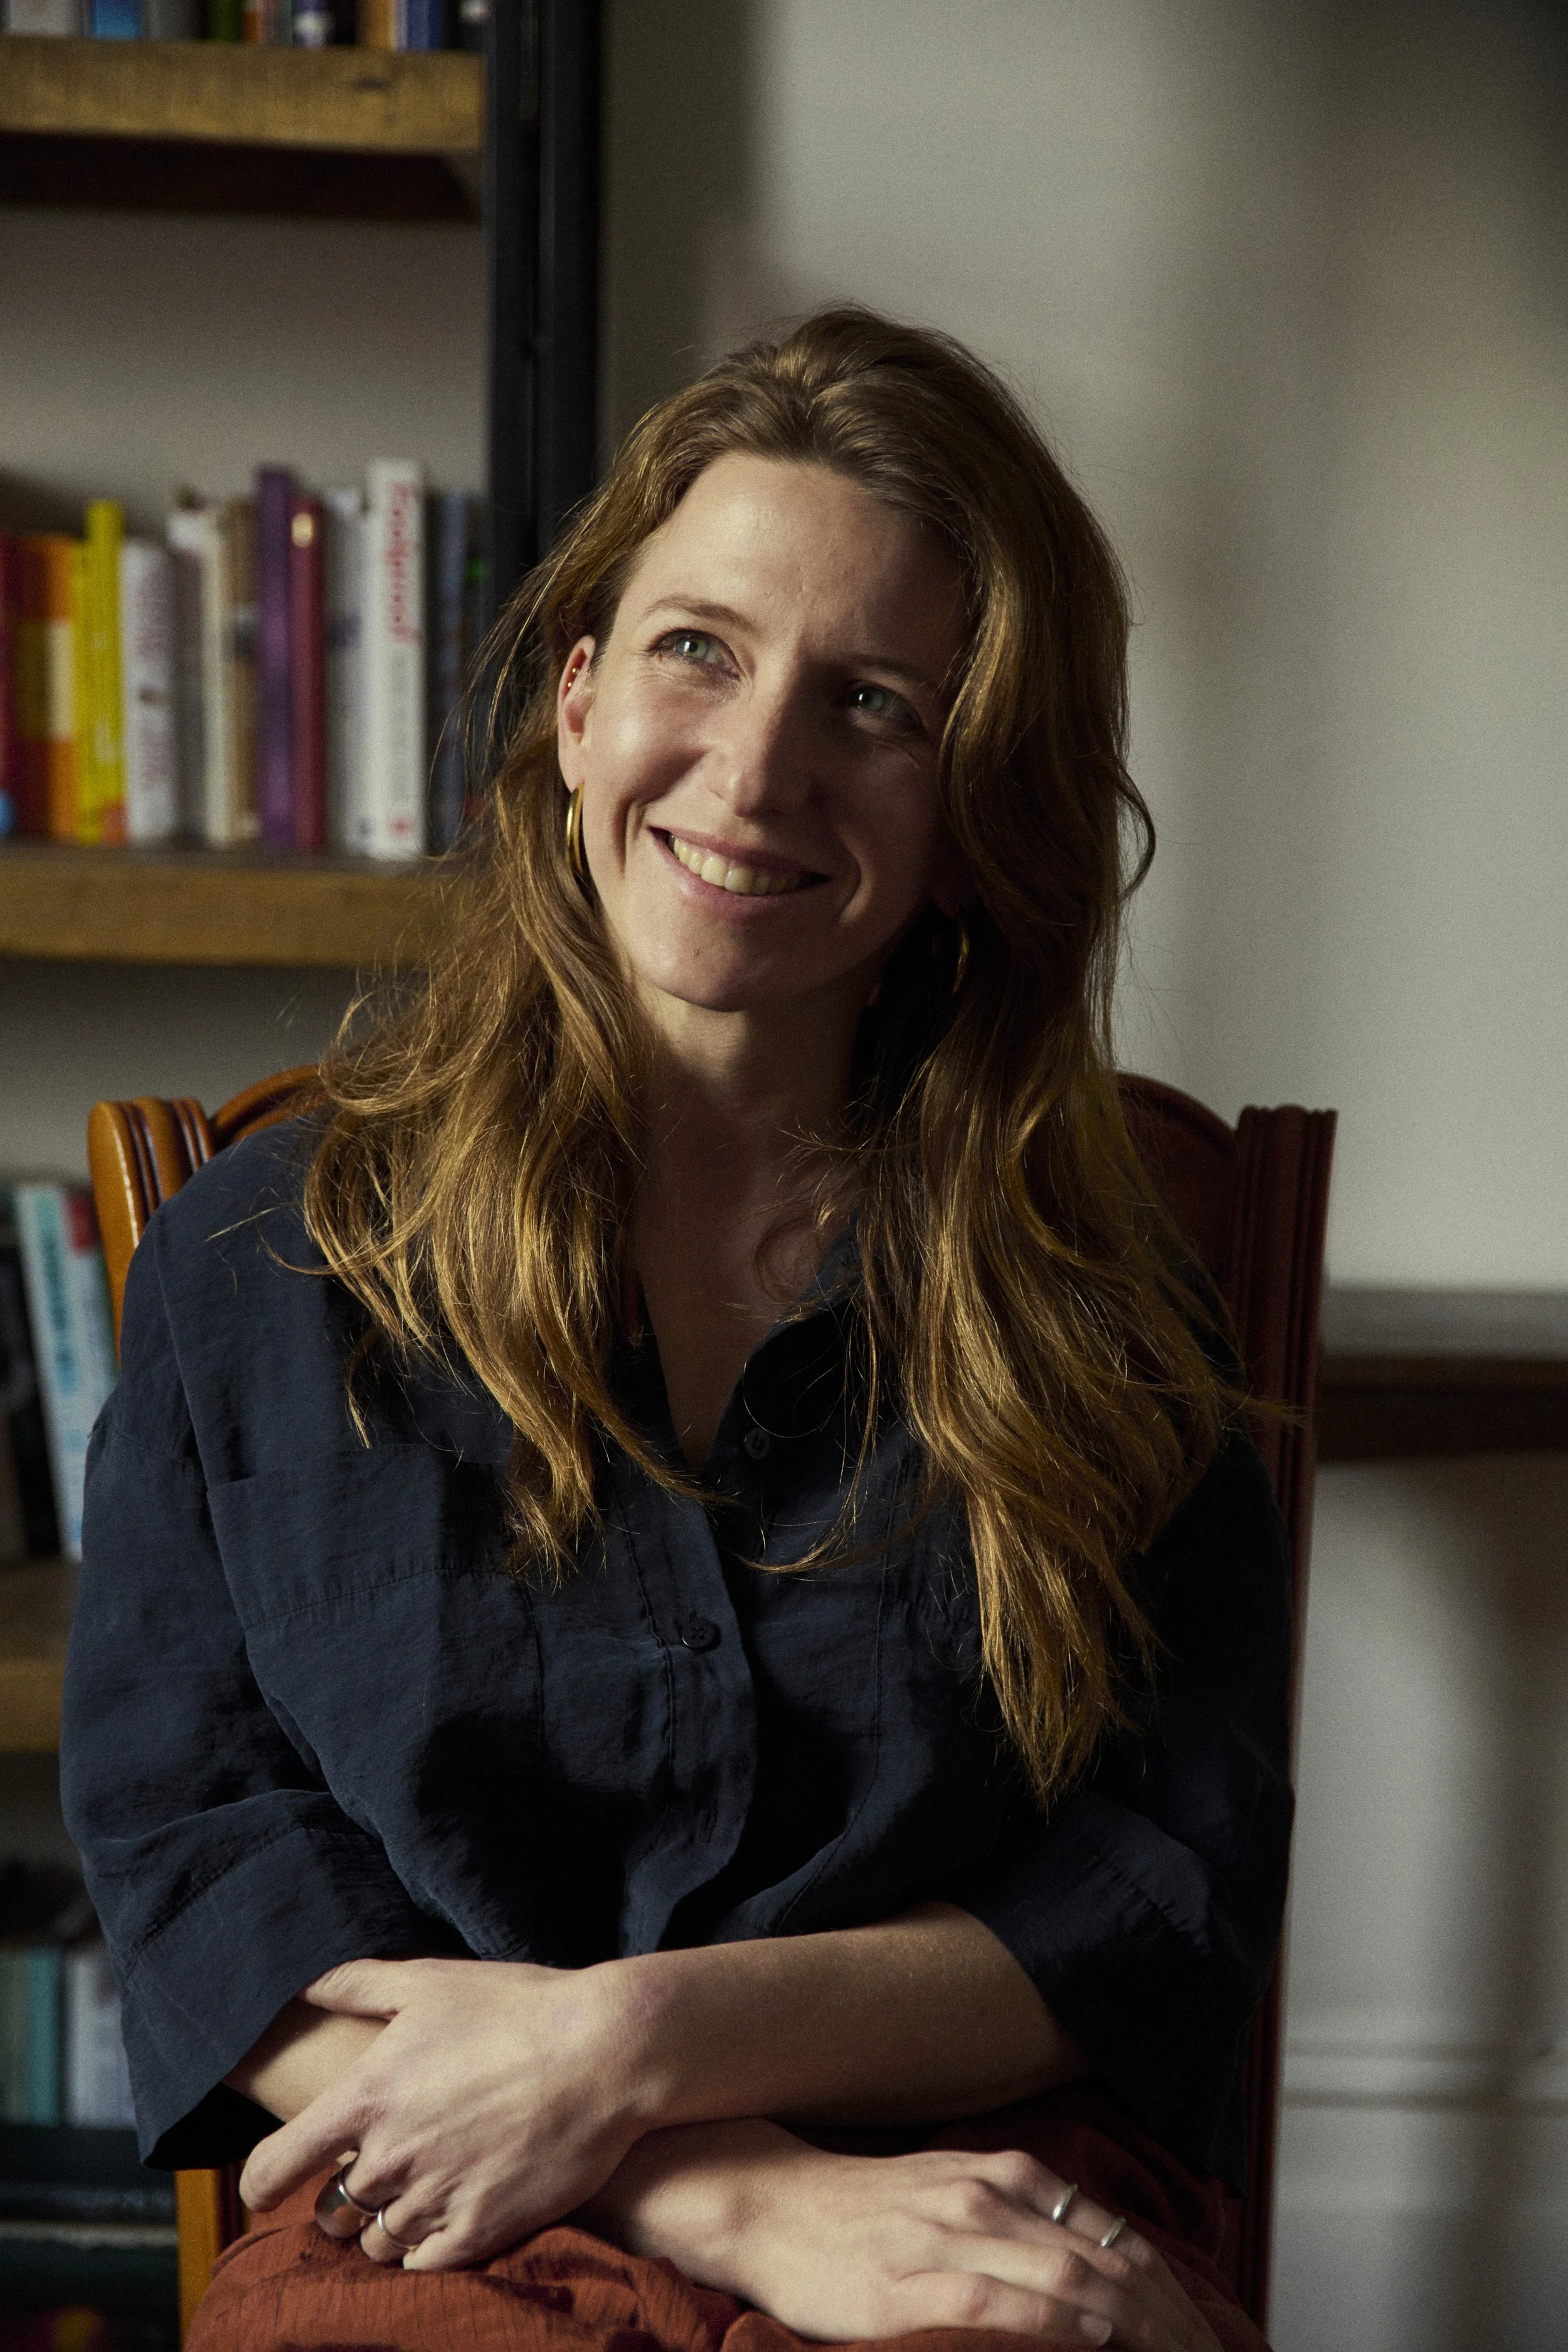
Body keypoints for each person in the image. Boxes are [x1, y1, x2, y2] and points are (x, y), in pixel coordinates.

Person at [62, 310, 1292, 2352]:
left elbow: (1158, 1884)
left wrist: (634, 2039)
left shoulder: (1098, 1307)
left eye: (874, 702)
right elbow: (203, 1870)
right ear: (576, 701)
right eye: (696, 649)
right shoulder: (261, 1264)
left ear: (974, 806)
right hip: (431, 2214)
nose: (755, 767)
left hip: (965, 2182)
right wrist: (718, 2185)